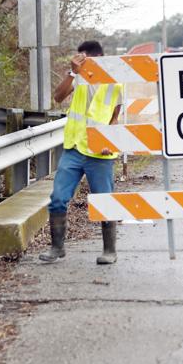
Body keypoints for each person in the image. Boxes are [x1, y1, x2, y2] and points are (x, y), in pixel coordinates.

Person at [40, 41, 123, 265]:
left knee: (104, 202)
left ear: (95, 58)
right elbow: (58, 97)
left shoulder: (115, 83)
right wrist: (72, 73)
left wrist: (110, 141)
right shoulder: (79, 77)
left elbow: (115, 118)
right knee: (57, 198)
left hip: (100, 153)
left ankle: (109, 250)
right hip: (74, 148)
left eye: (83, 58)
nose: (80, 61)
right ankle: (57, 248)